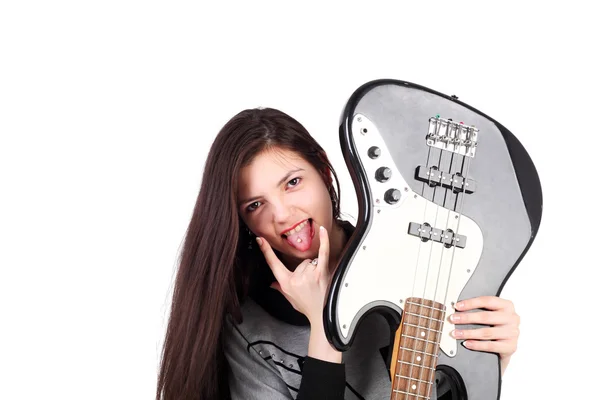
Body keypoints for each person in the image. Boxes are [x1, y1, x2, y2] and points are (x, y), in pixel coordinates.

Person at [155, 107, 521, 400]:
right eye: (255, 205)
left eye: (293, 183)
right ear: (242, 221)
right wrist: (322, 325)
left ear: (325, 170)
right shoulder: (249, 328)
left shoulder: (418, 261)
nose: (282, 214)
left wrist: (489, 359)